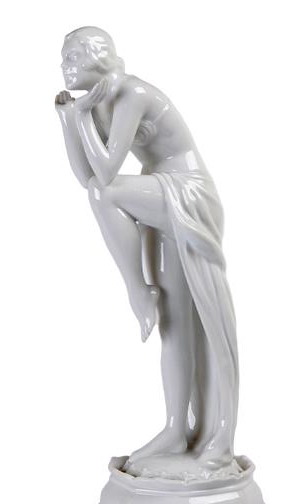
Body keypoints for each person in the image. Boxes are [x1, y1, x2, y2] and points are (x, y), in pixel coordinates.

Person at [54, 26, 239, 472]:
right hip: (160, 194)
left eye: (71, 57)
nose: (63, 66)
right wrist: (68, 121)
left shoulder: (130, 92)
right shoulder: (98, 102)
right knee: (176, 321)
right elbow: (85, 175)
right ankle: (176, 428)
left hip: (187, 192)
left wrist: (82, 116)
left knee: (106, 195)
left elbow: (105, 175)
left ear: (96, 55)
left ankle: (139, 291)